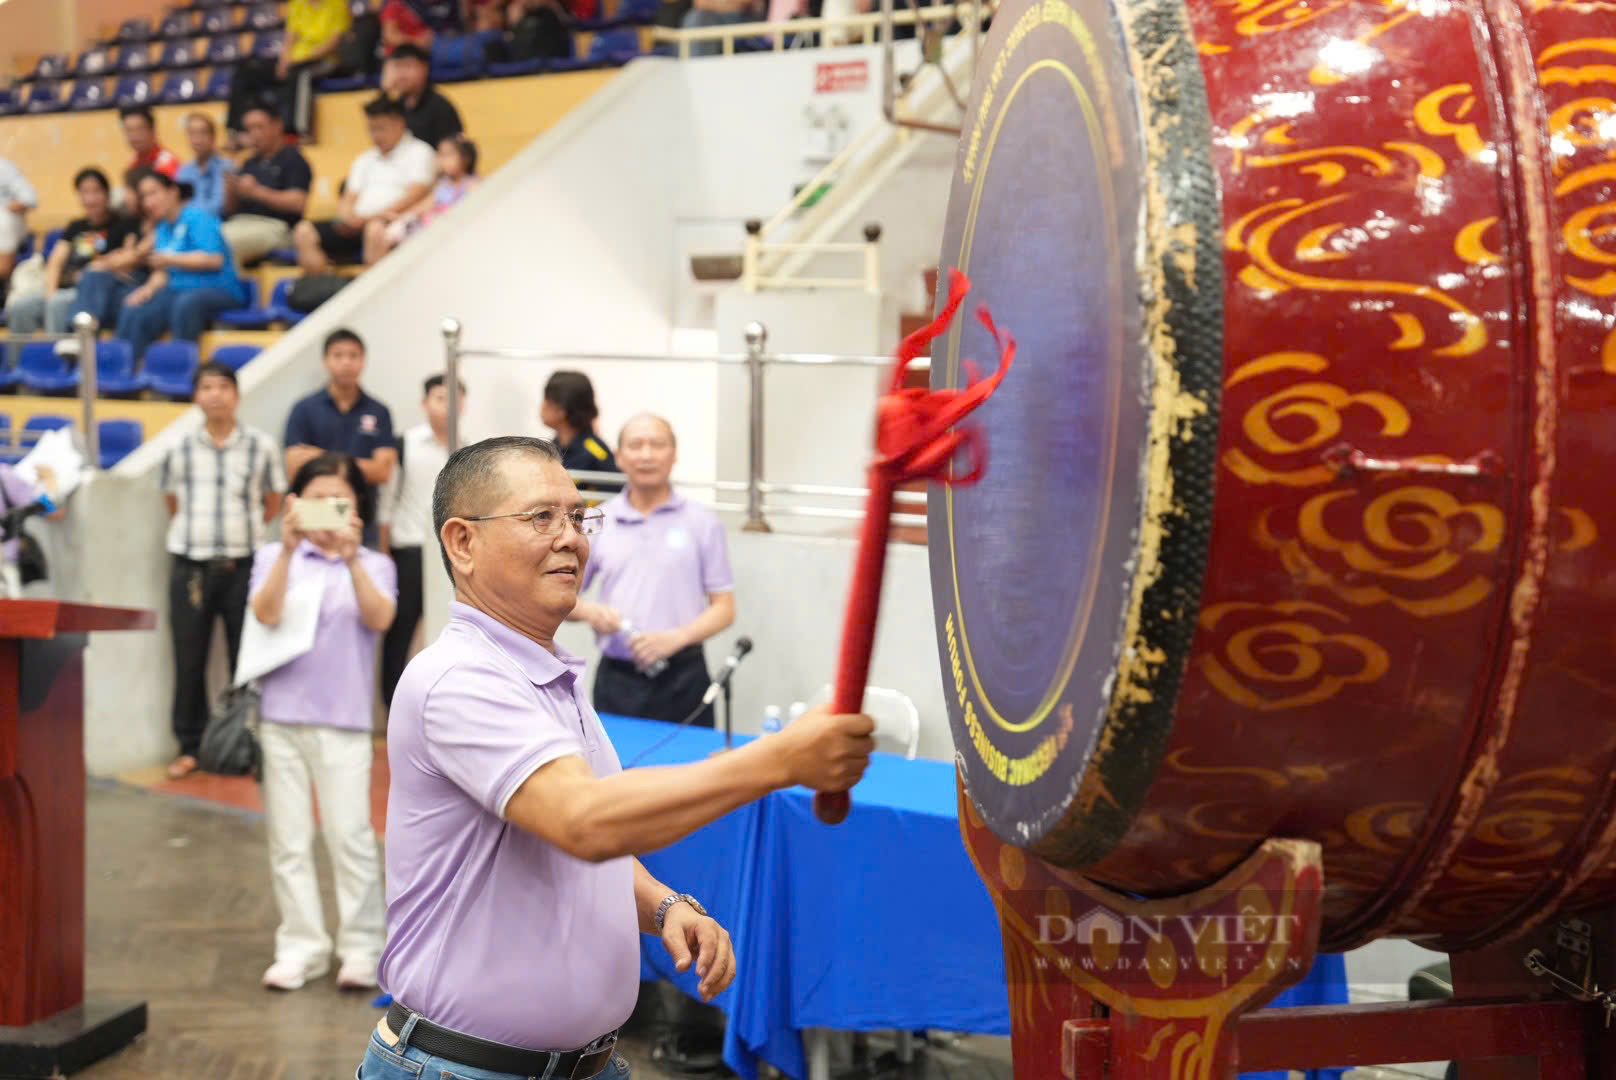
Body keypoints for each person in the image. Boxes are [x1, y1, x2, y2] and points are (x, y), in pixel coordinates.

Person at [361, 435, 873, 1079]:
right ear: (462, 543)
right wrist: (779, 760)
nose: (571, 538)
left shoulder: (547, 676)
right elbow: (586, 821)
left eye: (578, 517)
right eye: (540, 517)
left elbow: (569, 847)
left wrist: (663, 906)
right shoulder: (458, 677)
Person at [251, 452, 396, 992]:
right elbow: (264, 613)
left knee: (350, 836)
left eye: (339, 500)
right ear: (294, 505)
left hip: (344, 720)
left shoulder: (375, 564)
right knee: (288, 839)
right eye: (315, 499)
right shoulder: (272, 557)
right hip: (280, 717)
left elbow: (381, 618)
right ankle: (300, 946)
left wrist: (353, 557)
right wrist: (288, 550)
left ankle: (360, 947)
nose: (327, 511)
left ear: (357, 506)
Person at [161, 361, 286, 780]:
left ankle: (243, 745)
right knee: (188, 660)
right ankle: (190, 746)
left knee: (246, 658)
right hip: (190, 568)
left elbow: (272, 502)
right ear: (196, 396)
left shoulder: (260, 446)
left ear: (236, 394)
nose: (214, 394)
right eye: (206, 386)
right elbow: (172, 503)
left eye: (222, 386)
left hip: (243, 566)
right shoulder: (177, 448)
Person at [569, 415, 734, 727]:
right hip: (617, 680)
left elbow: (725, 608)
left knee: (693, 772)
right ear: (619, 456)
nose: (646, 455)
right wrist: (590, 612)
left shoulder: (703, 521)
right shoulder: (596, 520)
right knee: (615, 770)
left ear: (674, 455)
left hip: (685, 677)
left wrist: (676, 638)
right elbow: (560, 599)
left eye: (657, 445)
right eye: (635, 445)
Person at [87, 168, 245, 361]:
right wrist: (147, 290)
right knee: (133, 308)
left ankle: (181, 367)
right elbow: (162, 271)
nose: (148, 202)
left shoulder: (197, 217)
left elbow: (214, 259)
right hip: (177, 289)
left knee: (186, 304)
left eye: (153, 193)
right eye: (144, 197)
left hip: (218, 288)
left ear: (173, 192)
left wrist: (171, 258)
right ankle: (121, 370)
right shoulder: (162, 228)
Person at [377, 373, 462, 709]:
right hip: (408, 550)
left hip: (452, 554)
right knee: (399, 635)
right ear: (425, 403)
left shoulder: (468, 448)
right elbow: (386, 504)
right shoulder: (405, 443)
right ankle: (391, 708)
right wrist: (385, 555)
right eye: (440, 397)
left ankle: (444, 708)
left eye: (455, 397)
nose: (447, 405)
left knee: (452, 631)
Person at [292, 96, 435, 273]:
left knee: (374, 230)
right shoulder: (365, 159)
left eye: (381, 128)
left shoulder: (420, 152)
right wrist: (346, 217)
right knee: (303, 231)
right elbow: (349, 196)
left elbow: (416, 194)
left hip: (391, 221)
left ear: (399, 123)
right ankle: (324, 287)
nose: (375, 136)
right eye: (371, 129)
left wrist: (372, 217)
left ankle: (377, 296)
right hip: (357, 224)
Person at [284, 329, 398, 549]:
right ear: (326, 361)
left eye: (353, 356)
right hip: (312, 521)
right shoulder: (304, 409)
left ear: (363, 361)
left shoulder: (379, 411)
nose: (346, 362)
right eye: (338, 355)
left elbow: (383, 471)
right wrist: (362, 465)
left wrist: (320, 456)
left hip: (361, 520)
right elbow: (294, 468)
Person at [5, 168, 141, 335]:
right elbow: (56, 261)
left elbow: (126, 259)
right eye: (84, 192)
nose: (90, 199)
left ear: (107, 194)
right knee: (21, 307)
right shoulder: (75, 226)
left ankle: (61, 357)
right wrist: (50, 293)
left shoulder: (123, 225)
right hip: (64, 288)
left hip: (92, 293)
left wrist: (94, 268)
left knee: (58, 304)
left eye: (96, 191)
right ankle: (17, 360)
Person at [227, 0, 353, 140]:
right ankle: (237, 129)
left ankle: (297, 130)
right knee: (246, 73)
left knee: (301, 75)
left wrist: (300, 60)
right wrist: (284, 61)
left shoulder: (338, 4)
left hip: (324, 60)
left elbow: (333, 44)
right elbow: (290, 38)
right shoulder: (298, 3)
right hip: (294, 61)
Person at [222, 104, 313, 267]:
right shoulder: (249, 162)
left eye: (259, 127)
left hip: (277, 227)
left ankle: (225, 291)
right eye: (249, 129)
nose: (254, 134)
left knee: (221, 242)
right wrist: (230, 190)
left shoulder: (293, 159)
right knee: (205, 237)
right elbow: (231, 209)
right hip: (240, 222)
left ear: (277, 125)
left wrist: (257, 192)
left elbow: (298, 203)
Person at [369, 134, 477, 261]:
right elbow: (424, 206)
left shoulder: (473, 184)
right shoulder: (442, 186)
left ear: (466, 158)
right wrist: (400, 216)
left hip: (451, 231)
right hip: (428, 229)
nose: (442, 160)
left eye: (448, 155)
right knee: (389, 232)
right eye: (440, 155)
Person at [540, 370, 622, 494]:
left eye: (546, 401)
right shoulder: (550, 448)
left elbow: (614, 496)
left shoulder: (595, 453)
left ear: (561, 410)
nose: (541, 407)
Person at [381, 44, 463, 151]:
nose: (401, 75)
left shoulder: (440, 107)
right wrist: (385, 90)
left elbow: (453, 154)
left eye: (407, 66)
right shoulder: (394, 107)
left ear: (424, 68)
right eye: (397, 67)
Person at [119, 106, 181, 207]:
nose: (134, 136)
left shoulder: (167, 162)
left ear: (152, 130)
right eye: (129, 130)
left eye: (139, 129)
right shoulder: (133, 163)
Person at [176, 113, 233, 219]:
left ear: (213, 136)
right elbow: (177, 205)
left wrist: (188, 211)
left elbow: (218, 207)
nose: (197, 138)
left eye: (203, 132)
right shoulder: (184, 170)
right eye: (192, 133)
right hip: (189, 224)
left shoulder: (226, 167)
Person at [0, 156, 37, 289]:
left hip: (9, 225)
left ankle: (2, 281)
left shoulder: (4, 168)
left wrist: (5, 209)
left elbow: (30, 199)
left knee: (3, 220)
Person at [681, 0, 763, 55]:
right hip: (710, 20)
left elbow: (744, 3)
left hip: (744, 20)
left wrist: (716, 4)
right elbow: (700, 4)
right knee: (695, 18)